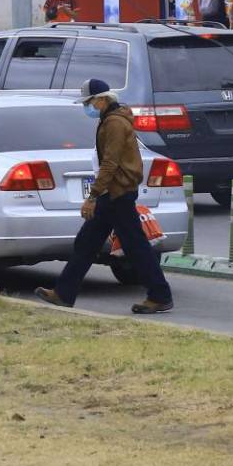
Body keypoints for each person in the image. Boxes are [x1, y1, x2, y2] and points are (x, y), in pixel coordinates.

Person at [36, 79, 174, 314]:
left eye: (88, 102)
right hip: (113, 192)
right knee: (87, 243)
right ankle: (64, 293)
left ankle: (160, 295)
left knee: (134, 246)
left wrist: (93, 196)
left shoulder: (114, 123)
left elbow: (110, 163)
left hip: (117, 193)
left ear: (102, 100)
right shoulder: (110, 119)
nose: (86, 107)